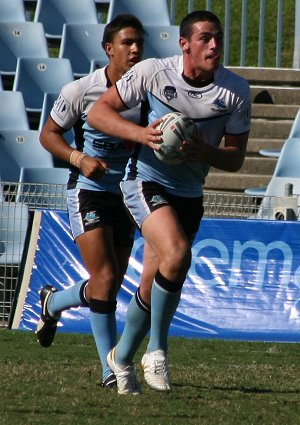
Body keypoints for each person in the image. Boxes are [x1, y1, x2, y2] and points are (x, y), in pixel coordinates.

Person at [87, 10, 251, 395]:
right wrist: (141, 135)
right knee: (177, 253)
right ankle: (157, 351)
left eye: (218, 38)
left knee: (156, 280)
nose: (214, 45)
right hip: (145, 182)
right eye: (206, 38)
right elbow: (98, 112)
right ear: (185, 44)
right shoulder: (154, 73)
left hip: (189, 194)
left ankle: (121, 356)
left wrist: (203, 151)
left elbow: (235, 158)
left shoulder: (234, 91)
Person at [36, 14, 146, 389]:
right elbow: (48, 134)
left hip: (129, 195)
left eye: (139, 43)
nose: (135, 49)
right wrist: (79, 159)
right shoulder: (81, 91)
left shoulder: (147, 92)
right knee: (107, 277)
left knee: (108, 286)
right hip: (88, 192)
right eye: (127, 43)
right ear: (108, 49)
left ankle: (53, 303)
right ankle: (109, 370)